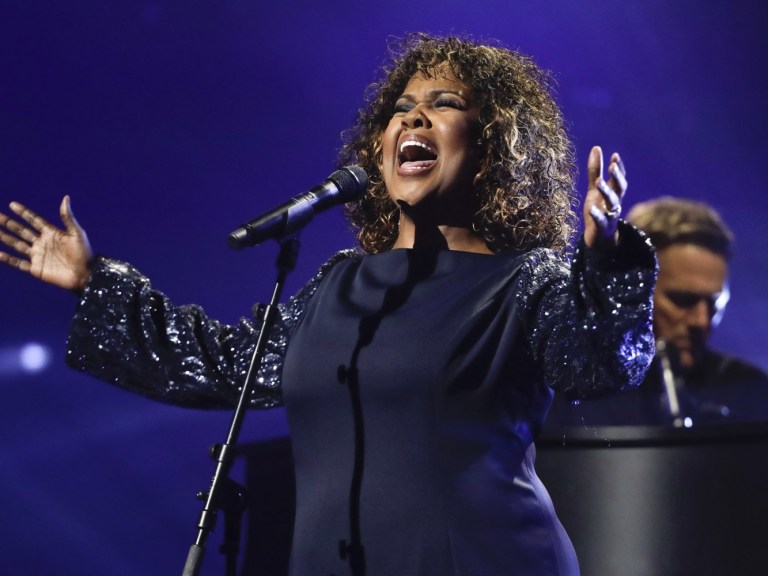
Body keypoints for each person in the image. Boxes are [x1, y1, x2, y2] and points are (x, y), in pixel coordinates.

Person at [0, 33, 656, 576]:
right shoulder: (338, 285)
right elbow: (221, 365)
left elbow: (599, 363)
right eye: (401, 108)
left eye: (445, 104)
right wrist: (94, 281)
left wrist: (606, 257)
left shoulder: (525, 282)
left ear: (493, 149)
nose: (413, 118)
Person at [546, 196, 768, 428]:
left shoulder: (749, 391)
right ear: (631, 287)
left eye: (714, 304)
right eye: (682, 300)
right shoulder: (573, 390)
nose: (701, 321)